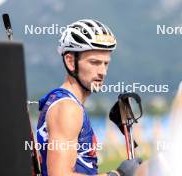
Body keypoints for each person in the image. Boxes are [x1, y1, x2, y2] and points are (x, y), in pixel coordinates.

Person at [36, 19, 141, 176]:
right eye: (94, 62)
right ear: (70, 61)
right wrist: (117, 174)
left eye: (106, 63)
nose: (102, 72)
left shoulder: (64, 102)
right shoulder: (68, 108)